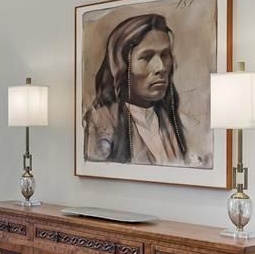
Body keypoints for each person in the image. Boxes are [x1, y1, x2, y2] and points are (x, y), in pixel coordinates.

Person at [84, 13, 205, 167]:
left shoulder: (181, 124)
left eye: (165, 55)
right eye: (147, 57)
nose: (160, 67)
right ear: (121, 66)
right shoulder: (100, 123)